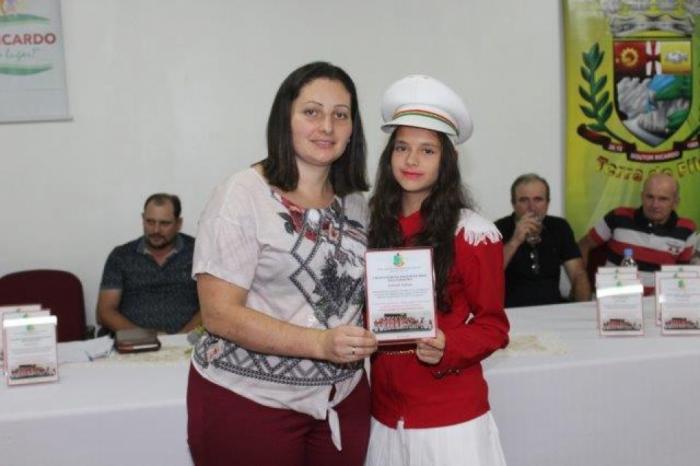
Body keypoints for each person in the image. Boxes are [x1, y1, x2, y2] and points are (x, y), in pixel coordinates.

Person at [187, 62, 377, 466]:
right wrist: (319, 345)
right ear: (284, 119)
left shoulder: (357, 204)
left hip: (341, 400)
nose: (327, 127)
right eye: (311, 112)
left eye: (340, 115)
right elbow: (219, 314)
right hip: (250, 401)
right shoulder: (242, 195)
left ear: (352, 129)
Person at [365, 75, 509, 466]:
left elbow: (494, 326)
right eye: (402, 147)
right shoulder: (371, 226)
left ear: (448, 160)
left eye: (427, 150)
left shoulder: (472, 233)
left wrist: (449, 345)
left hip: (449, 421)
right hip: (383, 416)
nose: (411, 160)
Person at [96, 193, 200, 334]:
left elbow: (213, 306)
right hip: (132, 341)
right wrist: (145, 337)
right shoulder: (121, 256)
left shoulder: (199, 253)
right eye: (150, 222)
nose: (156, 230)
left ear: (178, 223)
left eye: (164, 223)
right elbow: (105, 312)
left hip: (188, 340)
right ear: (143, 219)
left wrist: (180, 339)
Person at [579, 173, 696, 290]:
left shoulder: (686, 230)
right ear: (642, 196)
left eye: (663, 199)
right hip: (613, 295)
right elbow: (584, 245)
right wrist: (580, 281)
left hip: (657, 299)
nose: (655, 205)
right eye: (649, 197)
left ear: (675, 202)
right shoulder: (618, 216)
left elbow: (683, 274)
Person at [495, 174, 591, 307]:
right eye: (524, 200)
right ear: (513, 204)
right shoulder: (498, 228)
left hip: (553, 309)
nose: (532, 207)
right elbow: (489, 274)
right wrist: (515, 240)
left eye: (538, 199)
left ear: (547, 203)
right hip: (512, 310)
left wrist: (582, 309)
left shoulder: (559, 227)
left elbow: (578, 274)